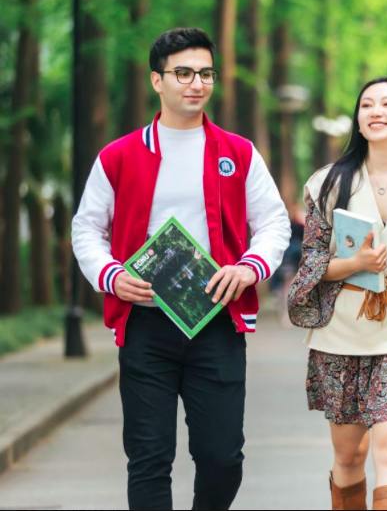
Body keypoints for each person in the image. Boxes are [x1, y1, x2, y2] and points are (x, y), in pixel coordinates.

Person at [71, 28, 291, 510]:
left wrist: (251, 267)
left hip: (216, 319)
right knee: (148, 457)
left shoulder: (239, 153)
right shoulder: (119, 155)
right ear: (157, 80)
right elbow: (87, 228)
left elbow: (273, 222)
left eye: (206, 73)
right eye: (184, 73)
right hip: (146, 322)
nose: (197, 83)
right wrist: (110, 274)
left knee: (222, 457)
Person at [288, 78, 387, 510]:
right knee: (349, 455)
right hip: (340, 333)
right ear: (359, 120)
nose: (375, 111)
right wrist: (355, 264)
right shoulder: (326, 182)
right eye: (366, 105)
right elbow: (310, 264)